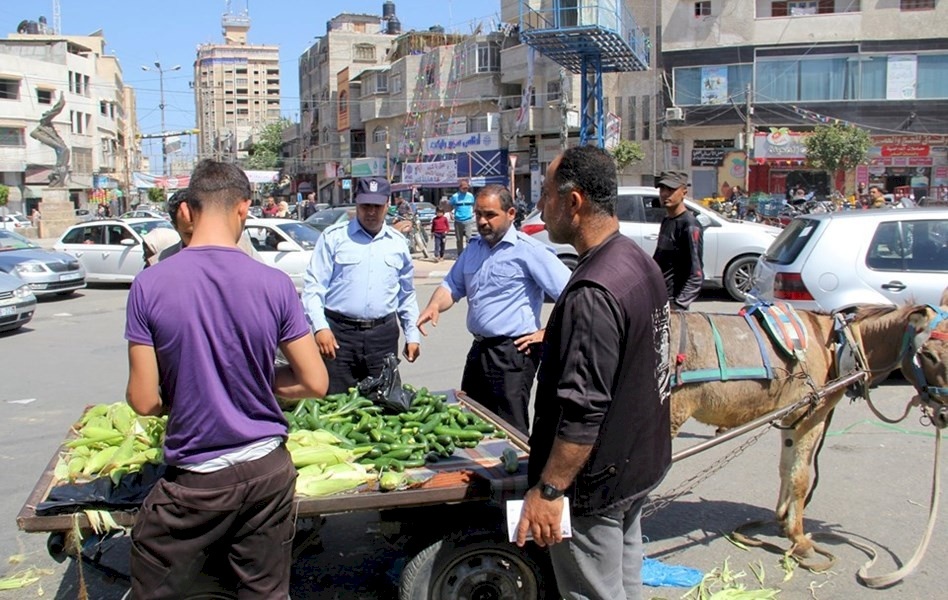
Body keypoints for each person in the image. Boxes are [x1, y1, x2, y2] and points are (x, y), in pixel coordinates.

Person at [124, 159, 328, 599]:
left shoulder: (150, 285)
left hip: (196, 482)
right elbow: (315, 381)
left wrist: (195, 386)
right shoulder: (274, 284)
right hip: (268, 475)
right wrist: (248, 380)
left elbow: (142, 401)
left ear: (187, 211)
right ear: (243, 209)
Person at [514, 146, 672, 600]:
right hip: (635, 466)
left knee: (593, 592)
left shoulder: (592, 291)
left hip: (594, 485)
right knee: (623, 586)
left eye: (545, 194)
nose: (541, 206)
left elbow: (583, 412)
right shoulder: (636, 260)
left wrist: (548, 491)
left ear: (574, 202)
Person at [417, 185, 570, 435]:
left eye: (490, 215)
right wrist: (434, 305)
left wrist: (548, 332)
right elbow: (451, 286)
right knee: (472, 419)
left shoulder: (528, 251)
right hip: (479, 350)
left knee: (510, 427)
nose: (482, 221)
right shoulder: (473, 249)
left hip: (512, 353)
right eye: (478, 214)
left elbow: (570, 293)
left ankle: (516, 473)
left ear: (511, 213)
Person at [302, 176, 421, 394]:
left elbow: (406, 295)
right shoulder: (334, 238)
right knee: (336, 404)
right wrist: (320, 327)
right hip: (339, 336)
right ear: (356, 203)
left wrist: (412, 334)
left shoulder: (398, 244)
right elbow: (313, 288)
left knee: (385, 403)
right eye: (365, 205)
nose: (371, 212)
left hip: (382, 337)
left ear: (387, 205)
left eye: (377, 206)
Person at [146, 189, 259, 266]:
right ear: (175, 227)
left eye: (202, 231)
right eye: (189, 234)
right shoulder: (160, 264)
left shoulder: (242, 249)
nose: (198, 240)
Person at [653, 171, 704, 310]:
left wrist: (678, 305)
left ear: (684, 192)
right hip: (659, 299)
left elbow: (696, 275)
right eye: (662, 189)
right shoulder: (667, 220)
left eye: (671, 190)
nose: (665, 194)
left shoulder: (689, 225)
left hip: (673, 302)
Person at [449, 178, 476, 254]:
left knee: (469, 238)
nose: (465, 189)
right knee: (459, 239)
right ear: (460, 188)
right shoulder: (455, 196)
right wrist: (451, 213)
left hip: (468, 219)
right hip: (458, 220)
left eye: (467, 188)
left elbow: (474, 204)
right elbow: (450, 205)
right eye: (464, 188)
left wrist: (473, 211)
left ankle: (468, 253)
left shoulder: (470, 196)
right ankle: (460, 254)